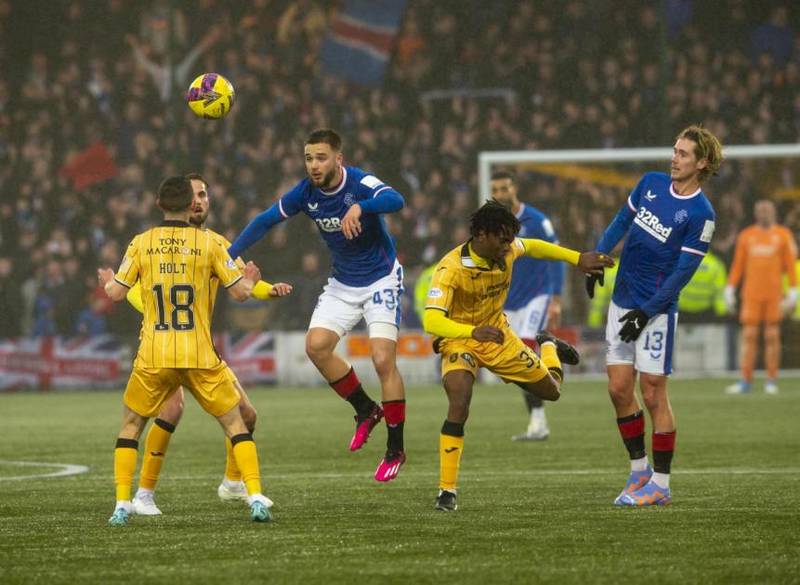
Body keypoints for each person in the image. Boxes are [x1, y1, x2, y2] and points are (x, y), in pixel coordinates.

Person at [227, 128, 408, 482]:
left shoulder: (359, 182)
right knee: (317, 347)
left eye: (321, 157)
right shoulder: (305, 193)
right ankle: (365, 410)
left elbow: (396, 200)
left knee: (383, 359)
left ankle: (395, 449)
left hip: (381, 278)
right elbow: (265, 220)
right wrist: (228, 253)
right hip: (343, 283)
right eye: (309, 157)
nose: (313, 164)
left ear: (339, 159)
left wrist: (361, 206)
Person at [98, 176, 274, 525]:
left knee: (131, 425)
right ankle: (254, 496)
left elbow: (117, 294)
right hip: (198, 355)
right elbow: (240, 294)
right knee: (236, 422)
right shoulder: (210, 244)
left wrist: (107, 282)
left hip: (154, 356)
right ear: (189, 205)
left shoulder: (141, 242)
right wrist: (252, 281)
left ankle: (122, 504)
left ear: (159, 203)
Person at [423, 200, 613, 511]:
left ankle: (548, 345)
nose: (509, 246)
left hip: (498, 336)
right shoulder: (450, 269)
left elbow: (537, 246)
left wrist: (577, 258)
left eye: (511, 239)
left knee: (552, 392)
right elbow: (432, 320)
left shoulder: (507, 248)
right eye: (503, 239)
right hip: (461, 339)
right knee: (459, 399)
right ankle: (447, 490)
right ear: (482, 235)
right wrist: (471, 332)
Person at [586, 125, 723, 507]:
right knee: (617, 388)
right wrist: (598, 257)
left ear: (702, 162)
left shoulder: (701, 214)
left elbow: (682, 274)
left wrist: (646, 312)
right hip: (622, 299)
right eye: (674, 150)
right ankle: (639, 471)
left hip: (657, 310)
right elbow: (620, 222)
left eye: (683, 154)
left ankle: (661, 485)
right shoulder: (649, 183)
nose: (674, 158)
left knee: (652, 390)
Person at [490, 170, 565, 441]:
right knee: (516, 358)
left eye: (504, 188)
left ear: (514, 188)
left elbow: (555, 257)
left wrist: (556, 299)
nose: (500, 194)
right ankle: (538, 420)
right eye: (495, 190)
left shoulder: (537, 220)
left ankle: (539, 421)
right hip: (508, 302)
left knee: (524, 351)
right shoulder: (492, 223)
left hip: (538, 295)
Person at [724, 200, 797, 395]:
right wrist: (730, 288)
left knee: (772, 336)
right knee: (749, 336)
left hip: (774, 294)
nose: (764, 214)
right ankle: (745, 381)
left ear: (774, 212)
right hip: (751, 294)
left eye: (767, 210)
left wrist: (792, 290)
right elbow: (738, 265)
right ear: (756, 213)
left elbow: (790, 264)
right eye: (761, 211)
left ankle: (771, 381)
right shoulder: (746, 236)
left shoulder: (783, 235)